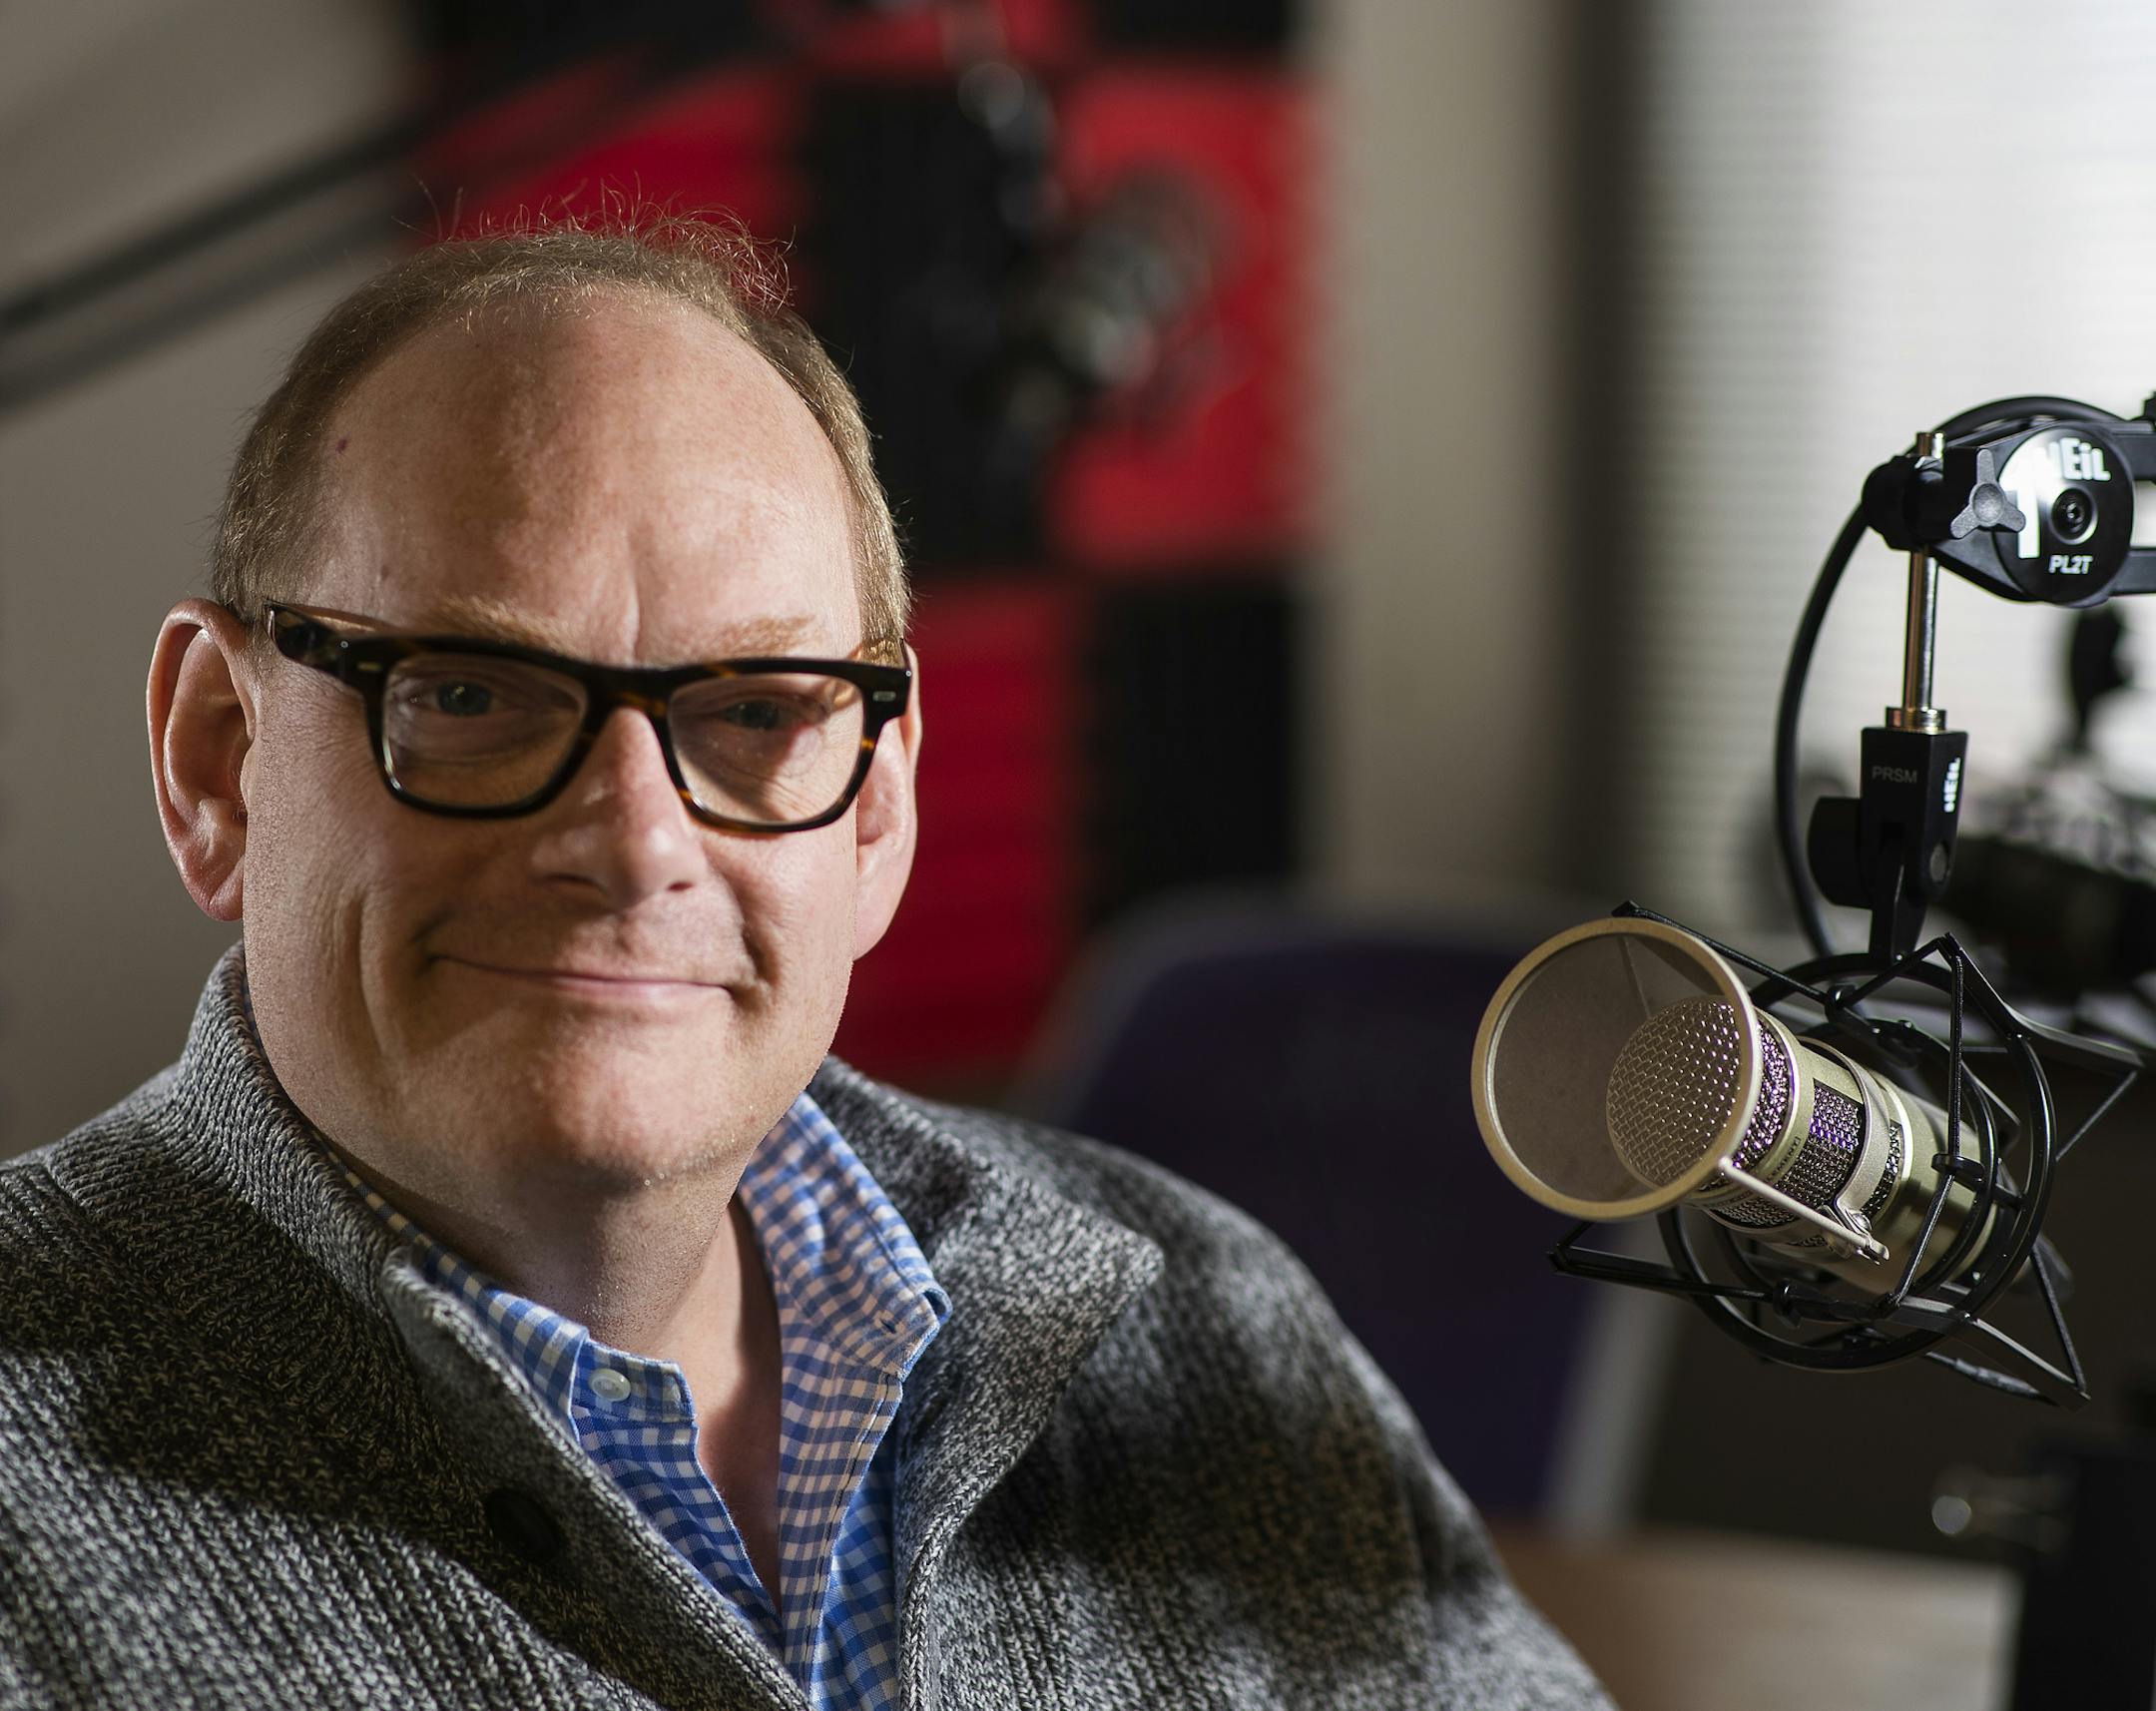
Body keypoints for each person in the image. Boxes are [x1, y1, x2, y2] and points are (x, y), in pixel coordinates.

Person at [0, 218, 1609, 1709]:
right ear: (218, 758)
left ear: (880, 817)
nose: (635, 841)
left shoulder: (1199, 1312)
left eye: (757, 712)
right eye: (470, 693)